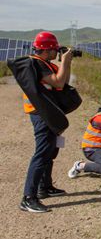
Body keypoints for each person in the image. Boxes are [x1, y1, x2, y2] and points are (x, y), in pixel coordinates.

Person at [20, 31, 72, 213]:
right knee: (42, 153)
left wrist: (67, 63)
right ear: (47, 49)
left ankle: (45, 187)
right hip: (41, 114)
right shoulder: (37, 64)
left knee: (51, 149)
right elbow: (57, 83)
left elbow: (63, 82)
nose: (57, 51)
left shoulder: (45, 64)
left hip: (47, 112)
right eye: (55, 49)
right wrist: (65, 61)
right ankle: (28, 198)